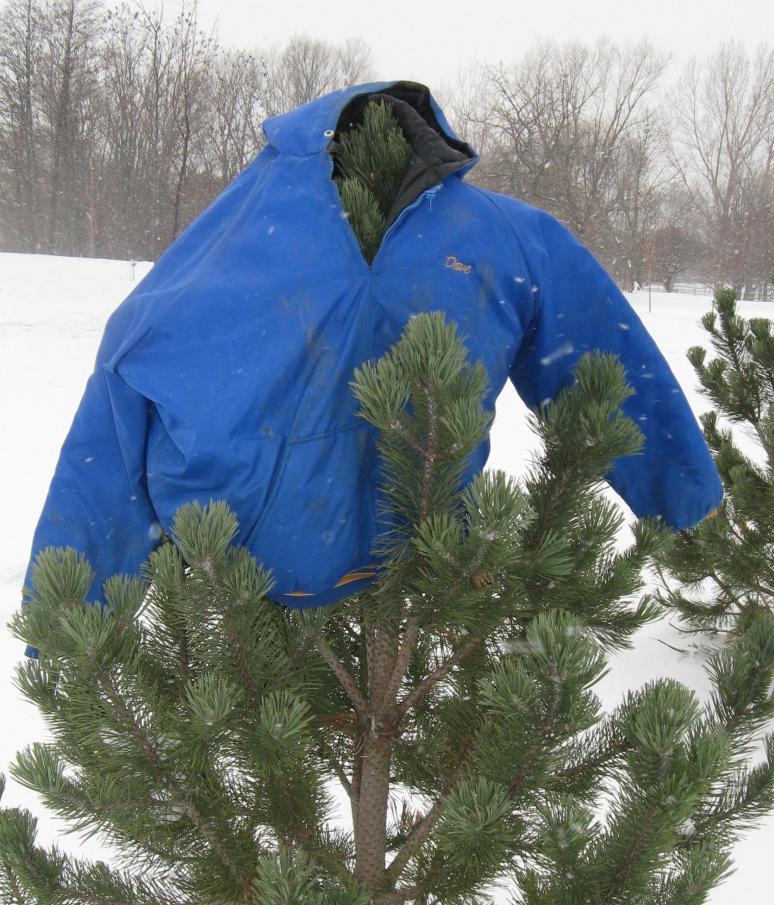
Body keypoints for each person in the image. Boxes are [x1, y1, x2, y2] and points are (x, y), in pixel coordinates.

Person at [22, 79, 723, 621]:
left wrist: (681, 495)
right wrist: (71, 606)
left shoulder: (503, 237)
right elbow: (123, 384)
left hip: (423, 570)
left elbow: (602, 357)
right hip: (232, 585)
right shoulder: (240, 229)